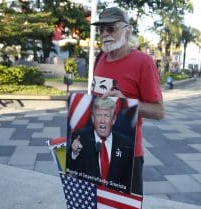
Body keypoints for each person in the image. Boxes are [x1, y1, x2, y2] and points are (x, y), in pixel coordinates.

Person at [91, 7, 164, 195]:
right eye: (101, 29)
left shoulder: (144, 62)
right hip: (98, 149)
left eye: (111, 28)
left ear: (127, 30)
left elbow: (158, 112)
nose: (105, 34)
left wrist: (125, 103)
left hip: (127, 153)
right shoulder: (100, 59)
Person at [67, 97, 135, 193]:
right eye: (98, 115)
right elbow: (70, 168)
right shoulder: (80, 138)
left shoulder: (127, 144)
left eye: (107, 116)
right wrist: (74, 153)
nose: (102, 120)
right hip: (88, 196)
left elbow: (129, 180)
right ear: (93, 118)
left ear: (114, 119)